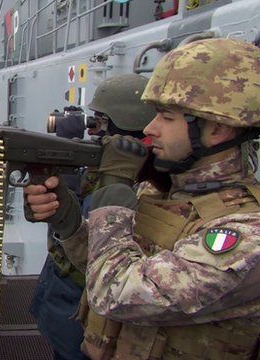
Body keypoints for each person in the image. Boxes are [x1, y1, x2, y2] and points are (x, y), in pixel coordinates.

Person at [25, 38, 260, 359]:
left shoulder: (245, 235)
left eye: (165, 116)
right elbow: (105, 265)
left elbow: (114, 292)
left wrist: (112, 193)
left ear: (217, 129)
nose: (150, 127)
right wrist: (68, 221)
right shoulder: (162, 189)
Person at [29, 74, 156, 360]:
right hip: (64, 307)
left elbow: (100, 242)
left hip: (91, 320)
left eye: (100, 122)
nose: (94, 131)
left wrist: (113, 178)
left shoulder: (146, 185)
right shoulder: (111, 168)